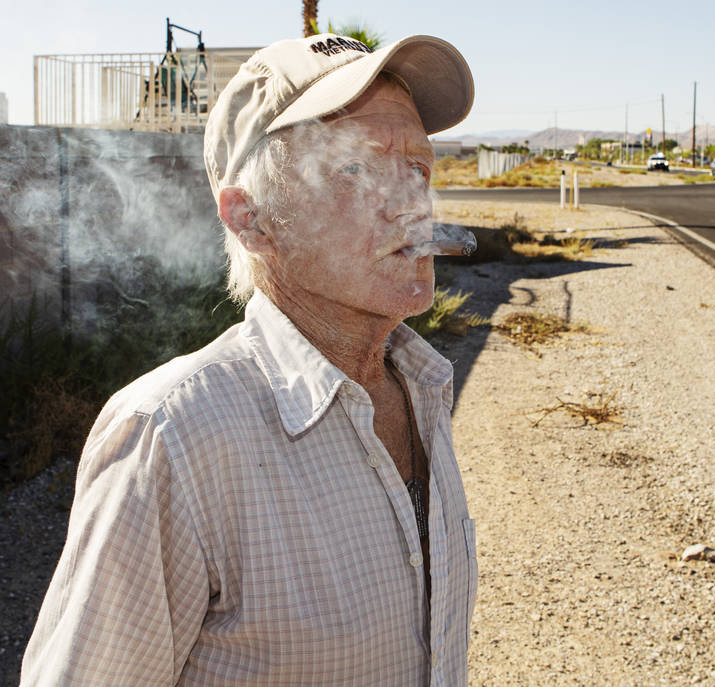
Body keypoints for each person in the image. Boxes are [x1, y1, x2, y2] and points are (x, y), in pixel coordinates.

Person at [22, 33, 476, 686]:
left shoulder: (422, 387)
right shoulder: (173, 438)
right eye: (362, 166)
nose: (414, 202)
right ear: (253, 220)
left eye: (420, 166)